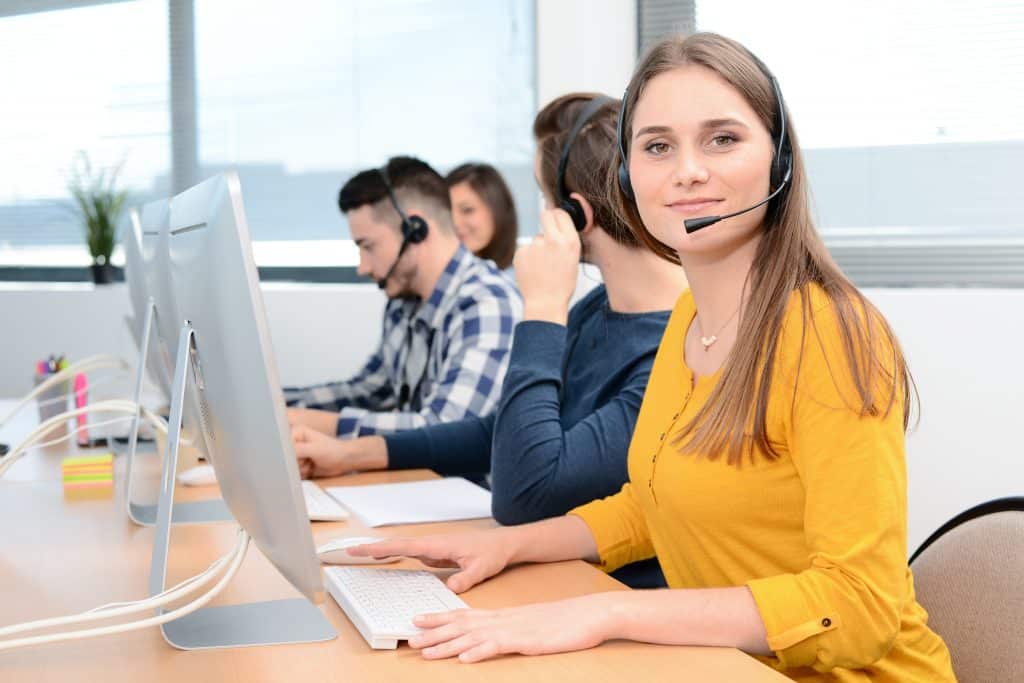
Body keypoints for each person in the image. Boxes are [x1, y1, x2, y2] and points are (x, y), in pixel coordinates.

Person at [347, 34, 956, 681]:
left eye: (722, 138)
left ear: (777, 161)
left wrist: (609, 613)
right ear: (626, 177)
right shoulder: (690, 319)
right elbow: (650, 502)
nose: (687, 170)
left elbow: (860, 604)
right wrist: (503, 545)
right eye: (658, 146)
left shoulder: (830, 333)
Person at [291, 93, 688, 588]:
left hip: (614, 604)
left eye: (546, 199)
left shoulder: (678, 344)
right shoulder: (597, 311)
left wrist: (542, 308)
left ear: (574, 212)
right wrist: (350, 453)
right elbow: (494, 432)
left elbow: (526, 497)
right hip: (557, 582)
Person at [286, 156, 521, 439]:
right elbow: (372, 389)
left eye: (368, 246)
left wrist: (322, 425)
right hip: (419, 480)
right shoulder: (403, 302)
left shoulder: (487, 304)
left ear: (415, 230)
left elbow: (447, 429)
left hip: (464, 483)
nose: (363, 267)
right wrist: (278, 406)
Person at [446, 162, 518, 270]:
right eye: (447, 211)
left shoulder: (521, 279)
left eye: (467, 210)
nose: (455, 222)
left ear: (498, 209)